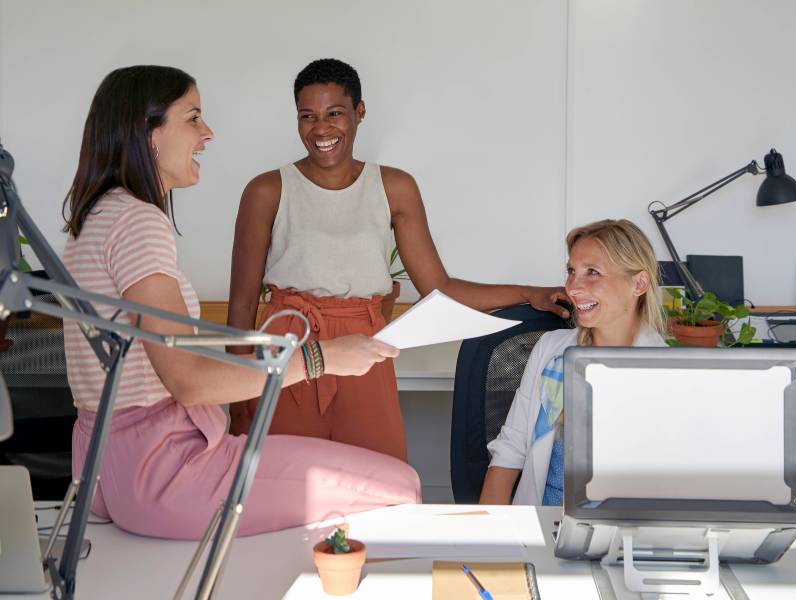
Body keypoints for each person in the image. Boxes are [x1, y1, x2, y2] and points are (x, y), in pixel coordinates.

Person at [61, 65, 420, 540]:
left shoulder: (95, 217)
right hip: (165, 471)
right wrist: (323, 357)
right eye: (193, 118)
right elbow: (188, 382)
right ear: (149, 133)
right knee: (400, 485)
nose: (207, 133)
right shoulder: (137, 222)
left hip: (104, 468)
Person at [227, 58, 570, 460]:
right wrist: (239, 393)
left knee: (378, 475)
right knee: (283, 475)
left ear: (359, 112)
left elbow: (439, 288)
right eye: (308, 116)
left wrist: (530, 294)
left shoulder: (394, 187)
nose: (321, 129)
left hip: (364, 347)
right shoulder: (267, 190)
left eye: (334, 113)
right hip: (289, 345)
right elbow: (243, 302)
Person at [479, 219, 667, 506]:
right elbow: (510, 448)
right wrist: (489, 531)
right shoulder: (550, 349)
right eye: (571, 271)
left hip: (622, 528)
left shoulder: (665, 371)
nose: (573, 288)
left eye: (592, 272)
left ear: (639, 283)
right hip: (541, 523)